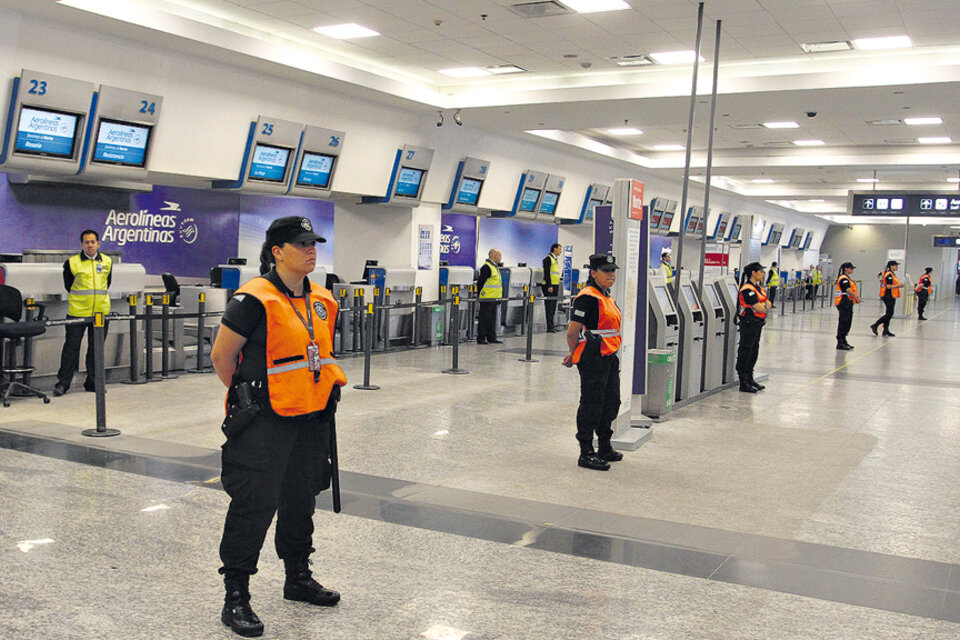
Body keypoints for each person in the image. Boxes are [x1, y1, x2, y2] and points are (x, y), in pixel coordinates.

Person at [210, 216, 347, 638]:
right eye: (301, 243)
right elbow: (222, 357)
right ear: (277, 251)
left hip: (311, 416)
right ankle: (236, 595)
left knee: (300, 498)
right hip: (266, 420)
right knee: (255, 503)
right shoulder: (253, 299)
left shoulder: (323, 298)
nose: (311, 249)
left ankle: (297, 576)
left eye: (314, 242)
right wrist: (252, 398)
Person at [562, 253, 623, 471]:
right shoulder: (587, 297)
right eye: (606, 271)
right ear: (593, 272)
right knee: (592, 403)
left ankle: (604, 446)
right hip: (593, 356)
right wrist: (573, 353)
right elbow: (572, 332)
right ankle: (586, 452)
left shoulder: (606, 295)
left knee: (611, 402)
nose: (611, 275)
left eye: (613, 271)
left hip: (609, 355)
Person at [53, 230, 112, 397]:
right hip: (77, 313)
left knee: (96, 349)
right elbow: (68, 286)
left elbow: (107, 284)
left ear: (98, 244)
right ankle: (63, 383)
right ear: (82, 245)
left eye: (93, 242)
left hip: (100, 313)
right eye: (86, 242)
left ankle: (93, 382)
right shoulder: (72, 263)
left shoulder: (107, 262)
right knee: (71, 349)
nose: (90, 245)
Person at [735, 262, 771, 393]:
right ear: (753, 273)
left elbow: (768, 304)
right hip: (749, 323)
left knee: (754, 350)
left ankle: (750, 378)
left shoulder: (759, 288)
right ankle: (743, 381)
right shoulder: (747, 289)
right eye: (760, 271)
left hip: (758, 323)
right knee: (746, 350)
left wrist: (764, 305)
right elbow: (759, 307)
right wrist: (763, 306)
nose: (763, 274)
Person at [870, 260, 904, 337]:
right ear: (891, 266)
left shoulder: (891, 273)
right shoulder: (889, 274)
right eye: (895, 265)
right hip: (888, 295)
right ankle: (875, 325)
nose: (897, 267)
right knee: (889, 313)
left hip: (892, 295)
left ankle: (886, 330)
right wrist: (899, 285)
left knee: (889, 312)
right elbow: (888, 286)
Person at [476, 249, 503, 344]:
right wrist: (478, 293)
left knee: (492, 319)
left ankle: (491, 337)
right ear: (493, 256)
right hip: (487, 297)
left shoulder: (494, 267)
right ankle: (481, 338)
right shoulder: (487, 267)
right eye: (499, 255)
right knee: (484, 319)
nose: (500, 258)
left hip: (494, 297)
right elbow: (481, 282)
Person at [834, 262, 860, 350]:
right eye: (851, 268)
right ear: (846, 269)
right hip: (843, 302)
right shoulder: (843, 278)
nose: (852, 270)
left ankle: (844, 340)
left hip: (847, 302)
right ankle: (840, 342)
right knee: (843, 321)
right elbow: (848, 290)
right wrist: (855, 297)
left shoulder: (846, 278)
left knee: (847, 321)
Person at [542, 243, 563, 332]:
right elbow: (547, 273)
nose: (560, 251)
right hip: (549, 286)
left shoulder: (555, 259)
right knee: (549, 307)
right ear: (554, 249)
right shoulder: (548, 259)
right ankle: (549, 327)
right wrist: (549, 285)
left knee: (553, 306)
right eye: (559, 249)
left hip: (555, 285)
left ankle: (552, 325)